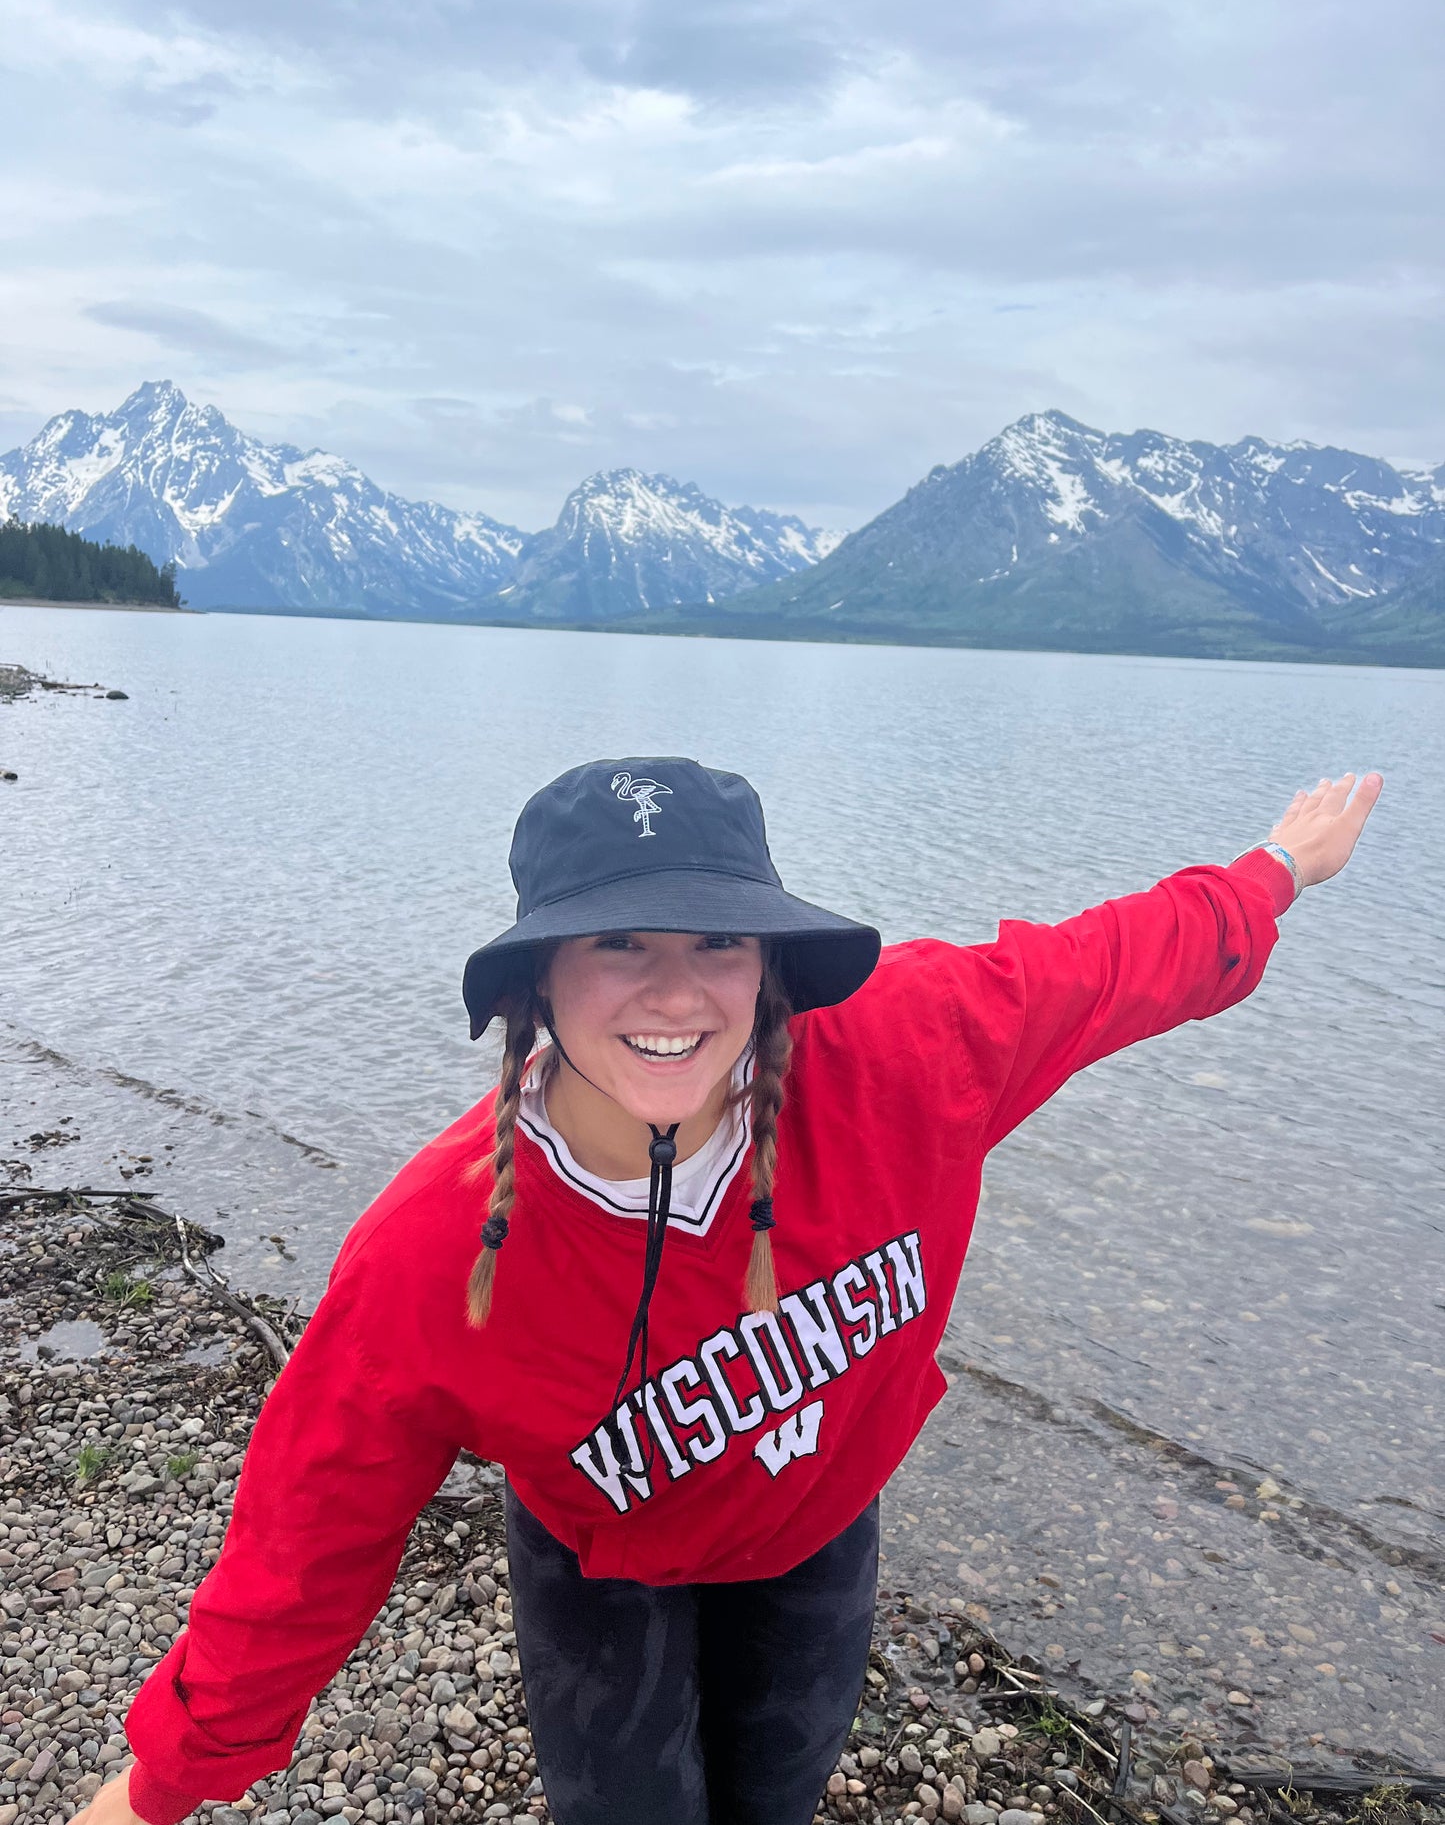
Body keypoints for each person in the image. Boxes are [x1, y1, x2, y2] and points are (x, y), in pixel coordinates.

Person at [73, 757, 1383, 1825]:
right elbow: (307, 1540)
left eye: (717, 939)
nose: (673, 992)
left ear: (769, 963)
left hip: (815, 1533)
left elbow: (1108, 967)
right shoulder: (435, 1251)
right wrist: (163, 1786)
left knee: (774, 1805)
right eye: (616, 943)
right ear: (535, 978)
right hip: (601, 1560)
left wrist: (1269, 875)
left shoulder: (906, 1050)